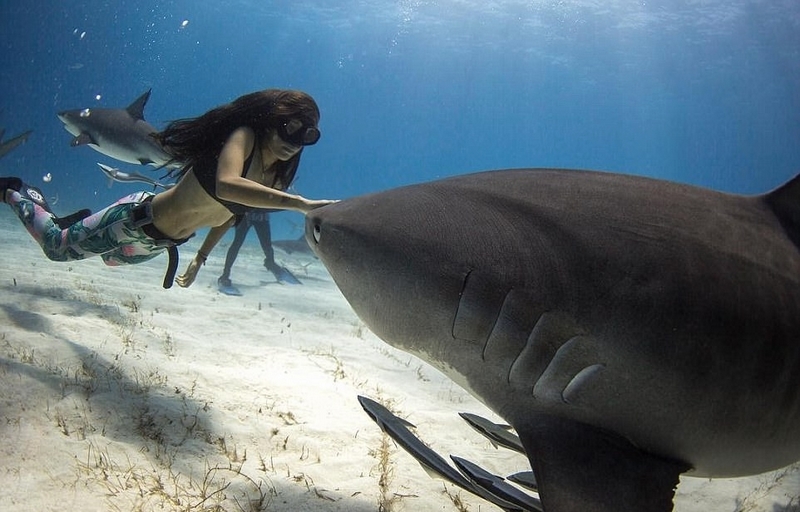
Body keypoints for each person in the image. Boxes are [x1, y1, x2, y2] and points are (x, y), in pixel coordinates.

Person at [0, 89, 334, 289]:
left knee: (110, 261)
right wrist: (300, 203)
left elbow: (229, 216)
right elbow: (227, 186)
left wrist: (201, 258)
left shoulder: (273, 179)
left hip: (160, 244)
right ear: (271, 119)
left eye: (307, 135)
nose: (294, 142)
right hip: (134, 219)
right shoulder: (243, 137)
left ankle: (80, 224)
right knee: (57, 249)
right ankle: (17, 192)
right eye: (290, 128)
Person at [215, 208, 301, 296]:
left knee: (267, 246)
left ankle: (272, 266)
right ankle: (225, 276)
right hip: (245, 214)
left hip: (262, 214)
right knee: (237, 244)